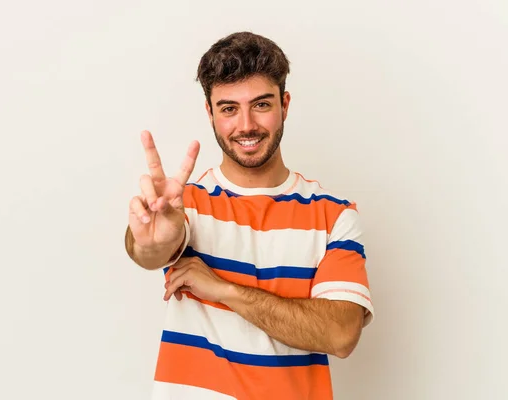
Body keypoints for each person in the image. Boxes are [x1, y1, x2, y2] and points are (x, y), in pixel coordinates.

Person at [124, 31, 374, 400]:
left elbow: (340, 335)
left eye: (261, 104)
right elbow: (150, 251)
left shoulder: (333, 215)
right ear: (210, 112)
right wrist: (150, 242)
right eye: (228, 108)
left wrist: (224, 290)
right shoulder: (186, 206)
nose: (246, 126)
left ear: (284, 104)